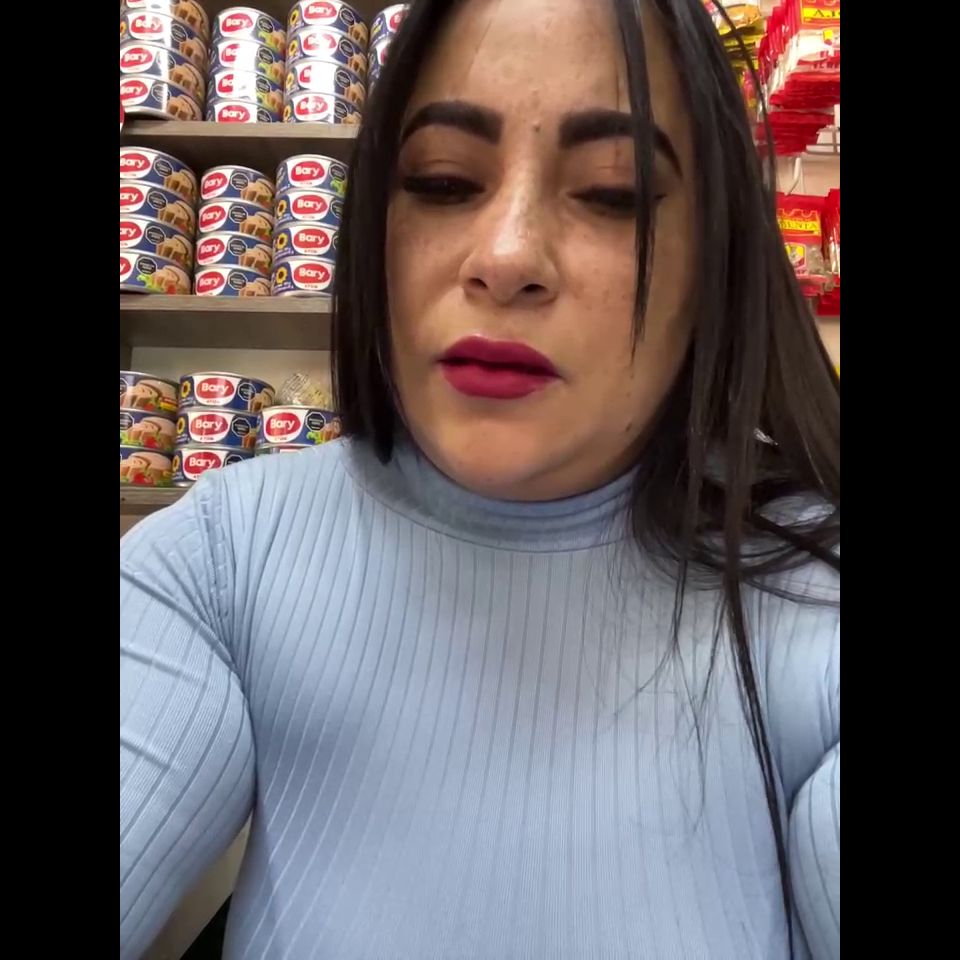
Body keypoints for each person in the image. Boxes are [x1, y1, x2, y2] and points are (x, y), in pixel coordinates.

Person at [119, 0, 840, 957]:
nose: (506, 258)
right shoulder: (217, 563)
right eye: (444, 181)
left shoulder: (814, 599)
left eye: (614, 192)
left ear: (716, 257)